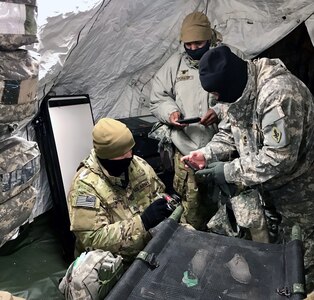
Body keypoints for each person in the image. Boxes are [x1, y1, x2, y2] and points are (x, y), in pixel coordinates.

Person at [182, 45, 314, 291]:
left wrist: (229, 171)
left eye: (218, 94)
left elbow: (279, 157)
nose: (216, 101)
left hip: (300, 194)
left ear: (232, 85)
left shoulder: (279, 95)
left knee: (301, 263)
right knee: (277, 256)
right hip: (269, 191)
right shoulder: (240, 90)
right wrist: (206, 153)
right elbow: (230, 130)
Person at [150, 11, 243, 230]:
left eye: (198, 43)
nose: (192, 49)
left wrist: (219, 110)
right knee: (192, 211)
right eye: (188, 44)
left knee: (232, 210)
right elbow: (158, 97)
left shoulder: (228, 57)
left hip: (224, 150)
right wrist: (171, 113)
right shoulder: (175, 64)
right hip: (186, 151)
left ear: (209, 38)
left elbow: (243, 93)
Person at [66, 118, 171, 262]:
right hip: (113, 262)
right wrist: (142, 222)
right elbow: (92, 239)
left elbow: (158, 193)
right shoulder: (85, 186)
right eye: (122, 155)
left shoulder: (138, 165)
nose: (129, 158)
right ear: (106, 156)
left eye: (130, 151)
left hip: (148, 248)